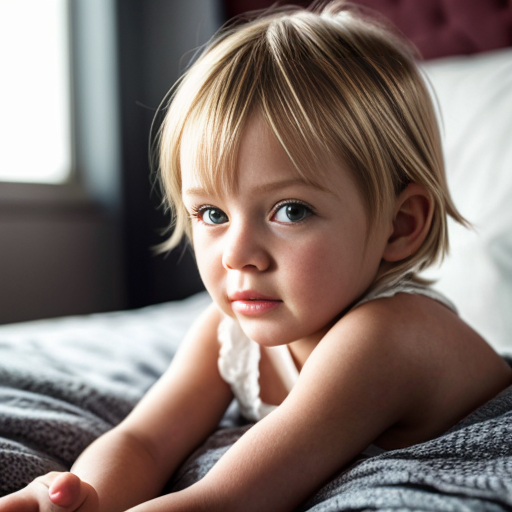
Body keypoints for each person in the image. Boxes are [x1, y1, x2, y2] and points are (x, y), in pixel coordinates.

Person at [1, 2, 511, 511]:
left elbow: (232, 499)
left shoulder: (387, 337)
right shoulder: (229, 335)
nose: (238, 255)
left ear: (400, 226)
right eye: (211, 214)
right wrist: (82, 497)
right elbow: (144, 440)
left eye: (290, 211)